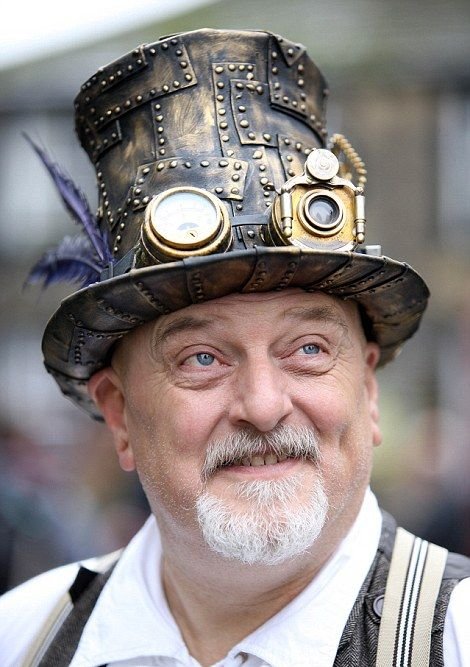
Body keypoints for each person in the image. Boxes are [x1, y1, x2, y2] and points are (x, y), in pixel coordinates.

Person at [0, 28, 469, 667]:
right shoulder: (21, 639)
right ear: (120, 415)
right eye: (203, 359)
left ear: (367, 389)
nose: (264, 406)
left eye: (307, 349)